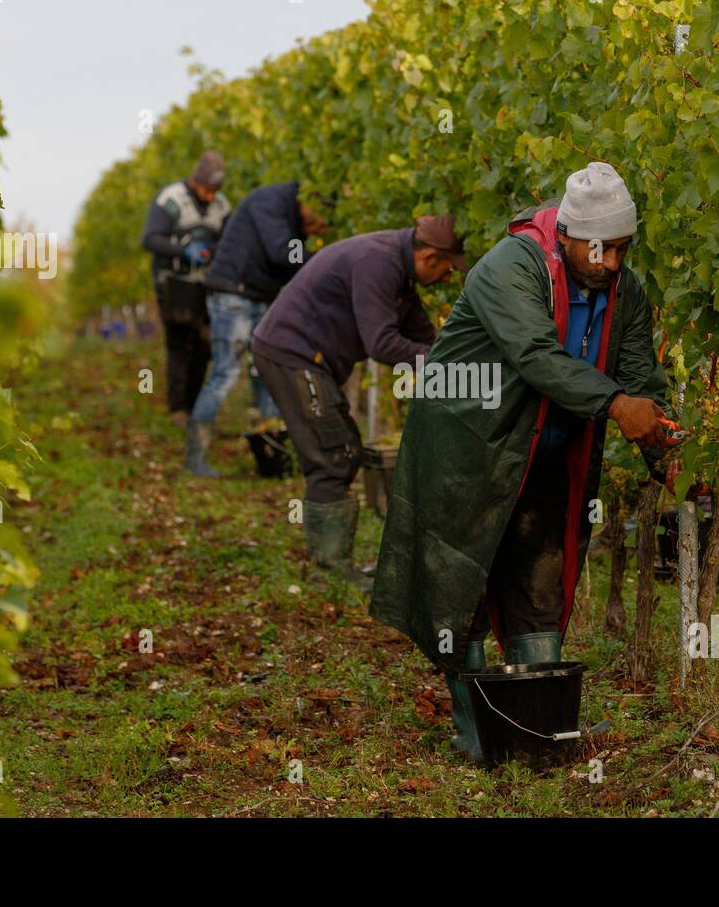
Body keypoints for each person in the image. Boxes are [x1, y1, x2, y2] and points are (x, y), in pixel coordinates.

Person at [369, 163, 680, 760]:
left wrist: (667, 453)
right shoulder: (511, 267)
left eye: (620, 249)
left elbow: (642, 378)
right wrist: (616, 404)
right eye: (600, 248)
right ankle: (477, 734)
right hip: (468, 445)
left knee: (539, 581)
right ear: (565, 233)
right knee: (464, 580)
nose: (611, 263)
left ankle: (535, 728)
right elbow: (536, 357)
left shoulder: (627, 291)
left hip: (544, 450)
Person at [251, 215, 467, 582]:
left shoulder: (399, 273)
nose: (447, 278)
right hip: (291, 353)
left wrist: (466, 364)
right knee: (335, 454)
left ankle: (333, 567)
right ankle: (329, 573)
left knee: (340, 451)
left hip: (306, 358)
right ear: (430, 256)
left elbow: (425, 339)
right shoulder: (378, 262)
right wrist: (439, 363)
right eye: (447, 269)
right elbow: (382, 344)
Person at [185, 181, 328, 477]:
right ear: (311, 204)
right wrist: (326, 263)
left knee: (267, 371)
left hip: (258, 296)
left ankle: (273, 460)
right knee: (224, 375)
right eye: (319, 225)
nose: (317, 233)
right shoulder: (271, 204)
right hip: (233, 297)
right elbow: (283, 254)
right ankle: (195, 459)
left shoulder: (290, 213)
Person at [141, 151, 231, 423]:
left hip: (206, 287)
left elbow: (229, 242)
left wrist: (212, 252)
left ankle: (193, 406)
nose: (210, 196)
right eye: (207, 189)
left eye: (215, 190)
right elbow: (150, 239)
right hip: (174, 285)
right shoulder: (170, 200)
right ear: (195, 181)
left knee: (204, 346)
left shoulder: (222, 206)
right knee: (179, 344)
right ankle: (178, 408)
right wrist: (182, 251)